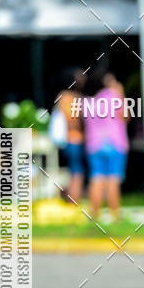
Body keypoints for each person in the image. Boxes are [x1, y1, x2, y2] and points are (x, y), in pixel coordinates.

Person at [83, 64, 130, 221]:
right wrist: (121, 94)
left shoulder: (86, 101)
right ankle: (115, 214)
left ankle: (94, 213)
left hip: (94, 144)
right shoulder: (113, 95)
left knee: (96, 177)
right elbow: (125, 117)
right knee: (113, 179)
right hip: (115, 142)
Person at [55, 68, 86, 204]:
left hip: (70, 140)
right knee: (77, 171)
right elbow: (71, 120)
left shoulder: (64, 96)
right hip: (73, 139)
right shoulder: (69, 97)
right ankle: (74, 200)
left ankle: (72, 199)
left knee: (73, 169)